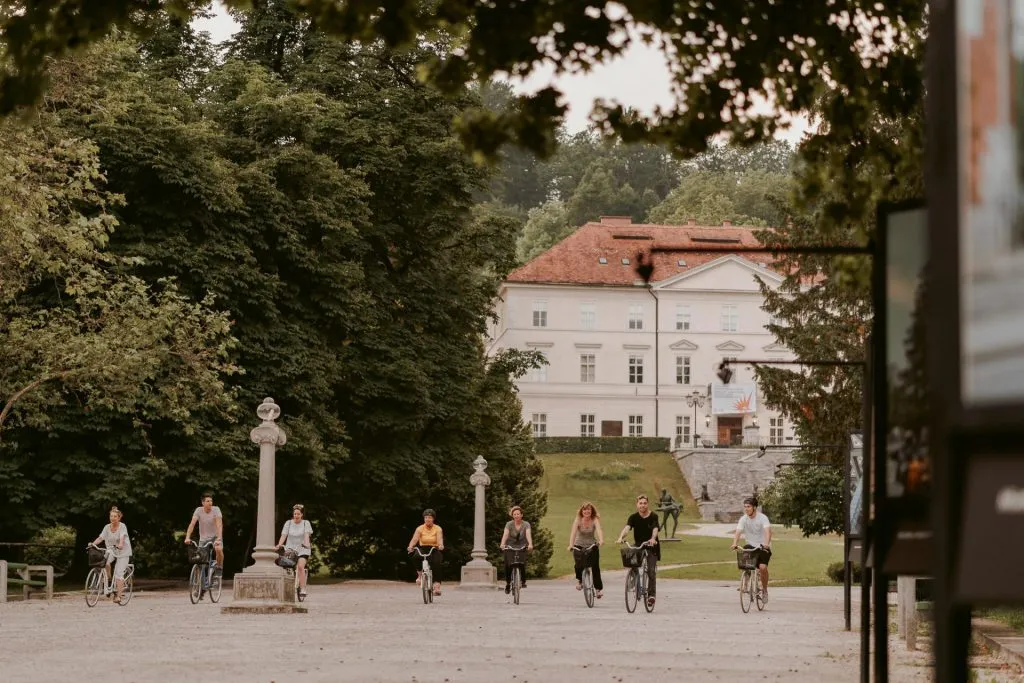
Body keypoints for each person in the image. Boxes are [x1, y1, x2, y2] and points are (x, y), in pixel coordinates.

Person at [616, 494, 660, 609]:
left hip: (651, 546)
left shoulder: (653, 516)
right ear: (637, 505)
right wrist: (621, 537)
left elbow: (655, 528)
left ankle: (651, 596)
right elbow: (627, 528)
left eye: (645, 503)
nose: (643, 505)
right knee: (631, 557)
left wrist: (653, 538)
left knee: (651, 571)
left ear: (647, 504)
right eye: (640, 503)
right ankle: (634, 578)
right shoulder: (633, 517)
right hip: (639, 545)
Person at [731, 497, 773, 602]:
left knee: (763, 568)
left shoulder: (762, 518)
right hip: (750, 545)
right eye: (745, 507)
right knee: (744, 556)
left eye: (748, 507)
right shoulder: (743, 519)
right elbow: (738, 531)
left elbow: (768, 532)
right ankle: (746, 582)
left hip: (763, 546)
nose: (746, 509)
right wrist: (735, 543)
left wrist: (766, 544)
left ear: (754, 507)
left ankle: (764, 590)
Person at [91, 506, 132, 601]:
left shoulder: (122, 526)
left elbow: (122, 536)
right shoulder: (106, 527)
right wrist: (93, 544)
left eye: (115, 516)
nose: (112, 518)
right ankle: (109, 580)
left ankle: (118, 596)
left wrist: (121, 544)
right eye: (111, 516)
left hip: (123, 551)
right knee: (105, 562)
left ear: (119, 518)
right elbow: (101, 537)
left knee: (118, 574)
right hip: (111, 549)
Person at [275, 503, 313, 598]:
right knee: (286, 566)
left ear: (302, 515)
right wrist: (279, 544)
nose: (296, 516)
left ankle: (303, 588)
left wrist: (307, 544)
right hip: (290, 549)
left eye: (298, 514)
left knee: (300, 566)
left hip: (303, 548)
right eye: (295, 514)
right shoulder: (288, 523)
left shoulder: (305, 523)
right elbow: (284, 535)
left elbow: (306, 535)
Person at [567, 501, 604, 599]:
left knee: (595, 567)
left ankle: (598, 589)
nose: (586, 511)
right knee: (578, 564)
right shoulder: (578, 519)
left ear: (591, 511)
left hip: (592, 545)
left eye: (588, 509)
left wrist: (601, 540)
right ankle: (580, 580)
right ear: (581, 511)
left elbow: (599, 530)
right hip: (579, 544)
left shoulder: (594, 519)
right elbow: (573, 533)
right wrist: (571, 545)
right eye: (584, 509)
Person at [407, 508, 444, 596]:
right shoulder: (420, 528)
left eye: (430, 517)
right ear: (424, 518)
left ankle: (436, 587)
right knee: (415, 556)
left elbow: (439, 539)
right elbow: (415, 539)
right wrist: (410, 546)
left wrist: (440, 545)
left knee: (437, 563)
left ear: (433, 519)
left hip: (434, 548)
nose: (427, 519)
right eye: (426, 517)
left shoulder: (437, 528)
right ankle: (420, 575)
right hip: (423, 548)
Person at [499, 505, 534, 595]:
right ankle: (508, 583)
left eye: (518, 514)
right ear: (512, 515)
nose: (516, 516)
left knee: (522, 563)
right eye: (515, 514)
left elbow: (528, 534)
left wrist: (530, 544)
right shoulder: (509, 524)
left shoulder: (526, 524)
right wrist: (503, 544)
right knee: (508, 565)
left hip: (522, 546)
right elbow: (505, 534)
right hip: (510, 546)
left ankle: (523, 581)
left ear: (521, 515)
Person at [184, 493, 224, 569]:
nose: (210, 503)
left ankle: (219, 567)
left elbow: (219, 525)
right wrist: (187, 537)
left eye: (211, 501)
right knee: (199, 558)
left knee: (218, 549)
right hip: (203, 538)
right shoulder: (198, 510)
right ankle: (198, 577)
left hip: (216, 537)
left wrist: (219, 538)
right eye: (208, 501)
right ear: (203, 503)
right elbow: (192, 524)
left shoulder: (216, 510)